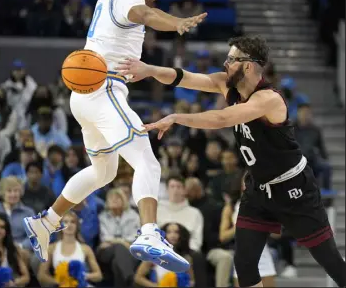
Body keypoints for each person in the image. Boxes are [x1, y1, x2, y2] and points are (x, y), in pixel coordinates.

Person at [23, 0, 206, 273]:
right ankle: (149, 232)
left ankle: (47, 221)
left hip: (84, 97)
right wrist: (177, 23)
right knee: (147, 163)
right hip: (104, 89)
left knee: (104, 171)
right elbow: (147, 16)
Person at [117, 35, 346, 287]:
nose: (225, 63)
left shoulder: (269, 99)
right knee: (245, 264)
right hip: (258, 188)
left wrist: (175, 117)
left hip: (293, 188)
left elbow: (222, 119)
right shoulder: (227, 84)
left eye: (231, 59)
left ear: (247, 65)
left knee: (329, 260)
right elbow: (183, 77)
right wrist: (149, 70)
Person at [221, 173, 276, 287]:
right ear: (242, 184)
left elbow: (277, 235)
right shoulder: (231, 207)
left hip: (263, 257)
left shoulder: (266, 206)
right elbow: (223, 236)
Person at [37, 211, 102, 286]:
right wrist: (60, 281)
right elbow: (41, 275)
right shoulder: (52, 248)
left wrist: (82, 275)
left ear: (77, 226)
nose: (69, 225)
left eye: (73, 222)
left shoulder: (85, 248)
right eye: (65, 222)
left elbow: (98, 275)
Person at [134, 223, 194, 287]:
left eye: (176, 232)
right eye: (169, 232)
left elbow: (192, 280)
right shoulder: (154, 254)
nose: (173, 235)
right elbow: (138, 278)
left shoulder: (186, 258)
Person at [0, 212, 30, 287]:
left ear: (6, 231)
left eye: (2, 227)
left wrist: (13, 282)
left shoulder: (12, 248)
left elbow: (26, 277)